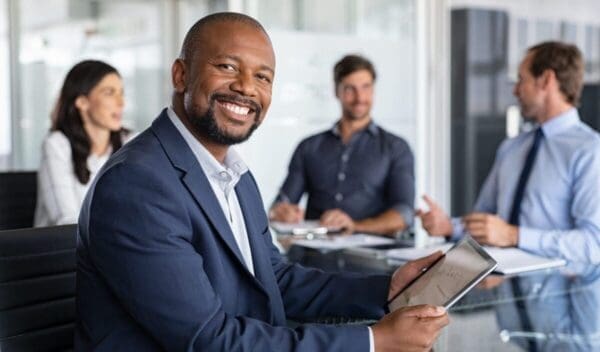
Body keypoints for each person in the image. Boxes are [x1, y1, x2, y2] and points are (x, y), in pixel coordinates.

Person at [76, 13, 449, 351]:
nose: (246, 87)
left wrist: (388, 287)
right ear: (180, 74)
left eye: (262, 77)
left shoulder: (233, 174)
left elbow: (275, 279)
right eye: (226, 66)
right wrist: (374, 341)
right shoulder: (138, 184)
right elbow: (208, 340)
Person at [417, 41, 600, 264]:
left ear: (546, 80)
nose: (515, 90)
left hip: (559, 291)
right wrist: (448, 226)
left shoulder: (590, 150)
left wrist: (514, 236)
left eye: (521, 80)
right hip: (501, 286)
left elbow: (593, 244)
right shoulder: (512, 148)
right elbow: (488, 223)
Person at [270, 54, 414, 236]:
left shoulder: (396, 148)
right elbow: (281, 203)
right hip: (313, 255)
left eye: (366, 87)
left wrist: (355, 225)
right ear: (336, 91)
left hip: (371, 258)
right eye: (349, 89)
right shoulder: (308, 147)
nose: (359, 97)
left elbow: (404, 214)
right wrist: (280, 212)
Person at [34, 60, 130, 227]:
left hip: (115, 247)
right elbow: (66, 222)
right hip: (62, 249)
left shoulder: (131, 142)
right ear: (82, 102)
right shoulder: (57, 146)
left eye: (121, 93)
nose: (121, 103)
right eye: (109, 92)